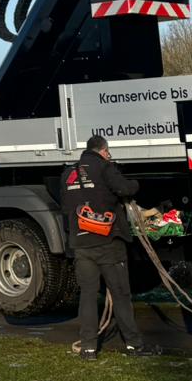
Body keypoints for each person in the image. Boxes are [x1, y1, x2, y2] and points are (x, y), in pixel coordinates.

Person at [62, 134, 148, 360]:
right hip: (108, 242)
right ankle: (133, 344)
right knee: (120, 295)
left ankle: (88, 348)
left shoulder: (69, 173)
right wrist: (137, 183)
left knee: (88, 296)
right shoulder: (105, 167)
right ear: (102, 150)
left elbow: (66, 208)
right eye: (107, 152)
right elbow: (124, 189)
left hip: (81, 244)